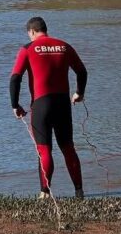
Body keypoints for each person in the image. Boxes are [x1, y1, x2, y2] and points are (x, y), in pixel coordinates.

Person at [9, 17, 87, 199]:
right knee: (68, 148)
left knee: (44, 150)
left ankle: (45, 193)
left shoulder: (27, 49)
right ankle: (79, 191)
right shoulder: (64, 46)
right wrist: (79, 93)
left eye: (29, 34)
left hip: (41, 104)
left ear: (32, 32)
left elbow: (15, 78)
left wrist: (15, 104)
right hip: (62, 104)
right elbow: (82, 71)